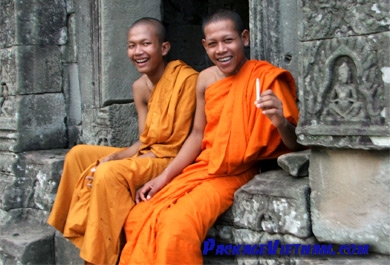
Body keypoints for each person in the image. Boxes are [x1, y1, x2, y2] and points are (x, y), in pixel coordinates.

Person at [119, 9, 302, 265]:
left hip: (236, 171)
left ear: (244, 38)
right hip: (202, 167)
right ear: (204, 45)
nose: (221, 50)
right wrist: (163, 177)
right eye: (213, 43)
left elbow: (294, 144)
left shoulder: (264, 77)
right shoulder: (205, 79)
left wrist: (280, 121)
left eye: (228, 40)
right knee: (140, 214)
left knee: (176, 225)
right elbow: (196, 135)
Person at [47, 17, 198, 265]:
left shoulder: (187, 80)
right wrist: (116, 155)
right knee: (78, 154)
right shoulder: (140, 87)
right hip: (150, 153)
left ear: (164, 48)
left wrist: (115, 162)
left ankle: (97, 259)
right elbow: (145, 141)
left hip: (172, 159)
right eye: (132, 45)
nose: (137, 52)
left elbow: (178, 144)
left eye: (145, 44)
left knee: (108, 173)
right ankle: (84, 235)